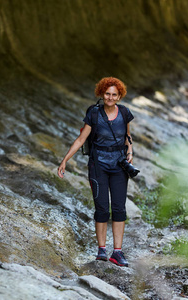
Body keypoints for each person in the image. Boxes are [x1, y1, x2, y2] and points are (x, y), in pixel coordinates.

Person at [57, 77, 134, 267]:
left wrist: (130, 151)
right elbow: (81, 139)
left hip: (119, 166)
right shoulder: (93, 113)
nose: (110, 97)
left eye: (114, 94)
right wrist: (65, 160)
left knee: (119, 208)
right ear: (102, 93)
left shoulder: (124, 113)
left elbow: (128, 136)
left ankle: (117, 252)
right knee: (101, 208)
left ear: (119, 96)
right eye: (107, 93)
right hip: (98, 165)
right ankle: (101, 250)